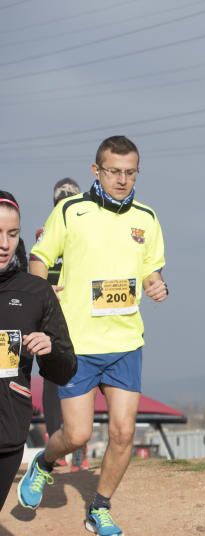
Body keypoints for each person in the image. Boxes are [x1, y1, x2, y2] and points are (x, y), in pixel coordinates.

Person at [20, 137, 168, 536]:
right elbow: (39, 258)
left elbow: (152, 271)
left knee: (123, 433)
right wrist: (40, 298)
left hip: (125, 342)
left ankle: (99, 507)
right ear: (96, 171)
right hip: (78, 343)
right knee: (77, 435)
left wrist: (157, 286)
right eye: (114, 171)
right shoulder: (71, 212)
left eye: (130, 172)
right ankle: (45, 463)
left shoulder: (147, 218)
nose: (122, 180)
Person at [0, 192, 76, 510]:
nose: (4, 243)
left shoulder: (35, 291)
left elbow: (65, 367)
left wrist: (49, 350)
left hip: (7, 433)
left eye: (12, 233)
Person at [42, 178, 87, 470]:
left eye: (69, 200)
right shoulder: (45, 234)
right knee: (51, 382)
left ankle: (80, 454)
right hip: (52, 322)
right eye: (60, 201)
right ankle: (54, 448)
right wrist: (48, 289)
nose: (64, 205)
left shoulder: (87, 232)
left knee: (86, 383)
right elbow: (33, 270)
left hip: (83, 324)